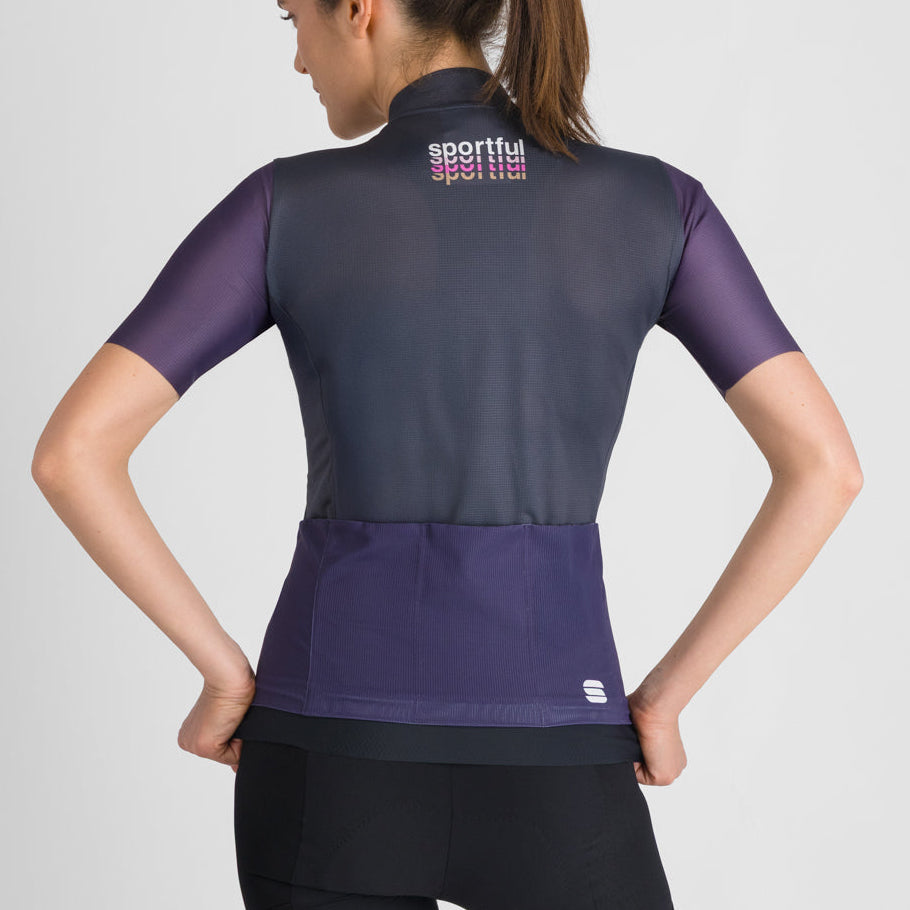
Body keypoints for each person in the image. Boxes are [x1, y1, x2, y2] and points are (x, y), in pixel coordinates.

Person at [31, 0, 863, 908]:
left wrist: (226, 673)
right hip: (560, 749)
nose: (298, 59)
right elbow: (825, 468)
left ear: (360, 9)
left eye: (293, 18)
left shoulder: (286, 203)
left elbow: (74, 453)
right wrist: (664, 699)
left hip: (326, 760)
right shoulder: (656, 204)